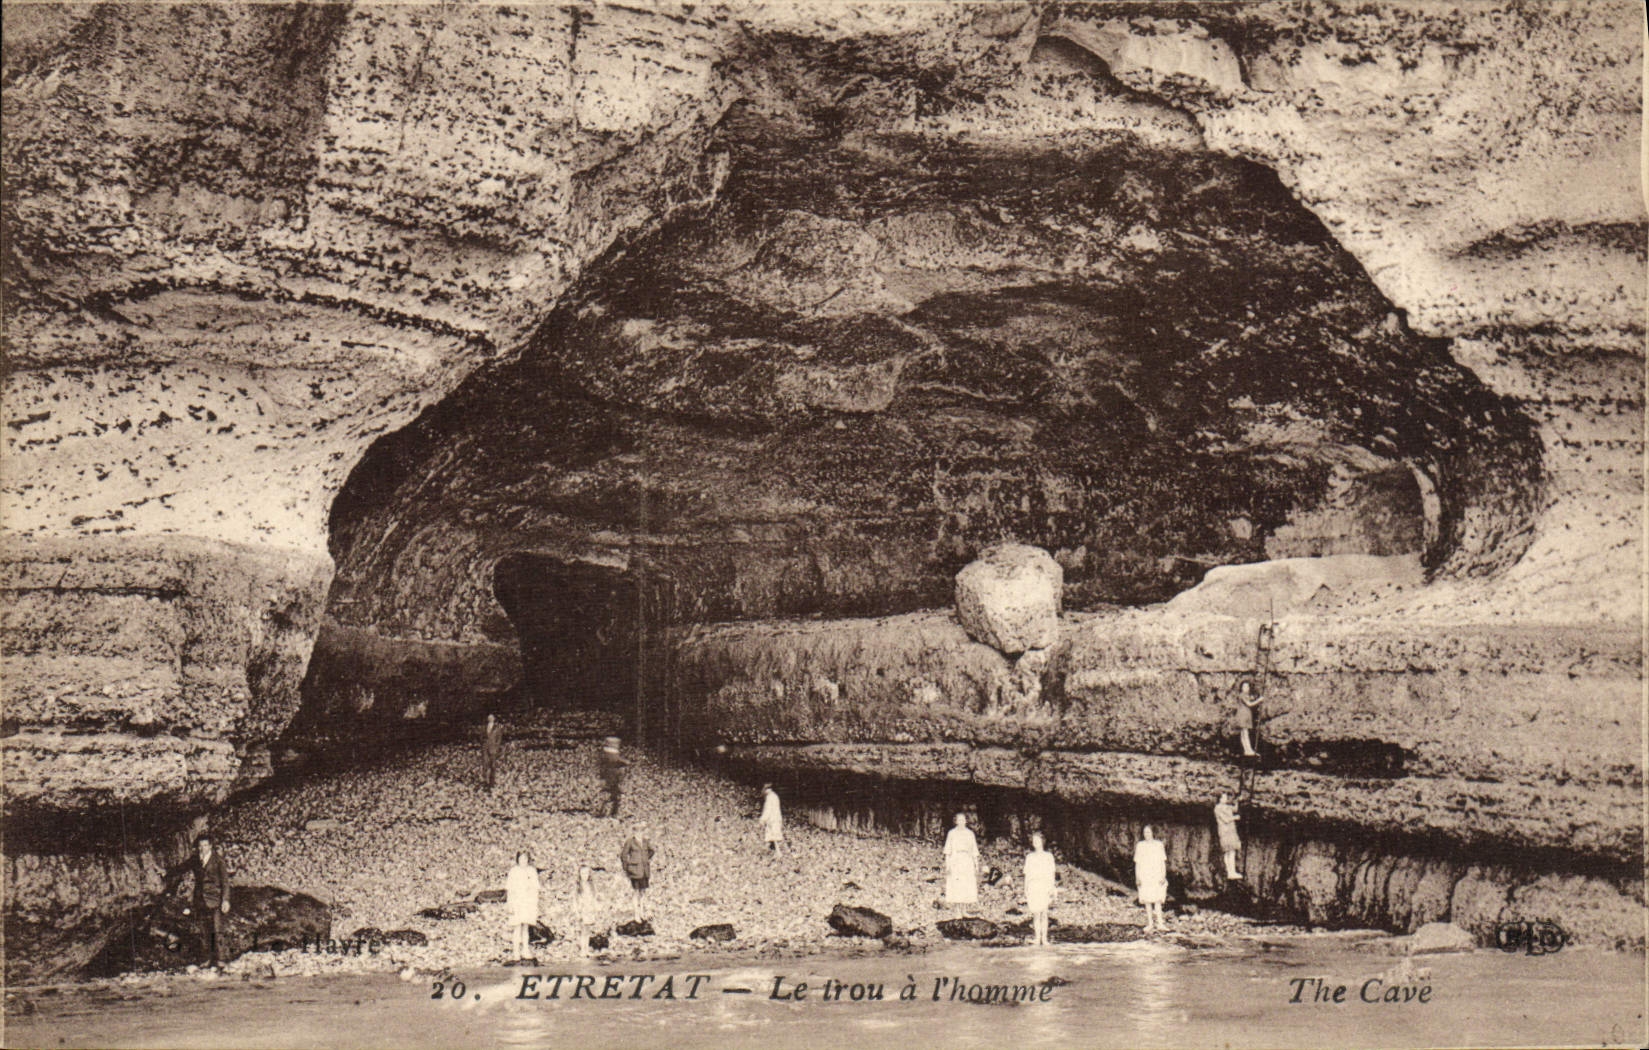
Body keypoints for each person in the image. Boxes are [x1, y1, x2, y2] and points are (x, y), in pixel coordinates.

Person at [186, 833, 231, 967]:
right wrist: (165, 872)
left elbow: (225, 882)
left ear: (210, 846)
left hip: (215, 899)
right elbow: (181, 868)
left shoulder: (218, 860)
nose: (202, 848)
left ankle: (221, 959)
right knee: (203, 930)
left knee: (217, 929)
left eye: (205, 845)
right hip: (200, 900)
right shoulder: (195, 860)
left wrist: (225, 900)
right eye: (200, 845)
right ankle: (206, 959)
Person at [506, 850, 540, 962]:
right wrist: (510, 904)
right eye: (521, 858)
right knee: (517, 927)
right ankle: (516, 951)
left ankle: (525, 950)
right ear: (518, 859)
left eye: (525, 858)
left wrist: (534, 902)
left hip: (528, 902)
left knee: (526, 927)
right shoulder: (513, 871)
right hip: (517, 901)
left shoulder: (532, 871)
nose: (523, 861)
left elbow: (535, 888)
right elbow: (510, 889)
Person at [1023, 831, 1056, 946]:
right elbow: (1027, 874)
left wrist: (1052, 887)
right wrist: (1025, 888)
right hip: (1033, 885)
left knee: (1044, 912)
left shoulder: (1048, 856)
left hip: (1044, 885)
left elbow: (1051, 873)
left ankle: (1045, 938)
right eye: (1033, 841)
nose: (1035, 843)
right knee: (1036, 913)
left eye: (1037, 840)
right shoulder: (1029, 857)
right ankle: (1037, 938)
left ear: (1042, 841)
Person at [1134, 825, 1168, 933]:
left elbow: (1163, 862)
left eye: (1148, 832)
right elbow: (1137, 863)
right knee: (1147, 900)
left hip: (1156, 874)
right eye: (1145, 832)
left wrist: (1163, 875)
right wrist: (1137, 877)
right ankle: (1150, 924)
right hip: (1145, 875)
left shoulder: (1159, 845)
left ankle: (1160, 924)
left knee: (1157, 899)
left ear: (1153, 833)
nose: (1146, 834)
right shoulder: (1140, 845)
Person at [619, 823, 654, 922]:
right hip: (635, 871)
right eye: (637, 831)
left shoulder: (646, 842)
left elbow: (651, 851)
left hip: (644, 871)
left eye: (641, 831)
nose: (640, 833)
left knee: (643, 892)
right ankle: (636, 914)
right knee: (636, 892)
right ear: (634, 832)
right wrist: (627, 867)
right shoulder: (630, 842)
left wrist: (645, 860)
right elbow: (623, 855)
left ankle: (642, 912)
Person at [943, 813, 978, 908]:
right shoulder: (951, 833)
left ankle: (964, 910)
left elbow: (974, 850)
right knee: (957, 885)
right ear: (956, 821)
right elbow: (947, 851)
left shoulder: (970, 834)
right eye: (959, 820)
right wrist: (948, 865)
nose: (961, 822)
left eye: (963, 820)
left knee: (966, 885)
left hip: (967, 860)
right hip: (955, 860)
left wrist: (976, 865)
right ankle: (958, 911)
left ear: (966, 821)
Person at [597, 737, 630, 817]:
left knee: (609, 794)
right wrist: (626, 762)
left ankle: (605, 811)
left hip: (608, 777)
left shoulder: (604, 756)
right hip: (613, 777)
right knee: (614, 795)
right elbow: (617, 760)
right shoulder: (612, 755)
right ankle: (612, 812)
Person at [1213, 793, 1243, 880]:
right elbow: (1225, 819)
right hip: (1225, 831)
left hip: (1230, 831)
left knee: (1231, 851)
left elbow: (1235, 809)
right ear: (1220, 799)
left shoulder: (1226, 806)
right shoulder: (1217, 808)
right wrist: (1235, 818)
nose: (1226, 799)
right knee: (1229, 851)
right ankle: (1230, 872)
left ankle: (1231, 872)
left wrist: (1237, 801)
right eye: (1224, 797)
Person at [575, 865, 602, 957]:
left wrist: (596, 908)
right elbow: (575, 900)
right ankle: (582, 949)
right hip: (582, 909)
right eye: (582, 873)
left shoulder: (591, 885)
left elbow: (595, 897)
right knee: (583, 930)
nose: (584, 875)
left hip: (589, 909)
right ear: (579, 874)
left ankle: (586, 949)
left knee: (588, 930)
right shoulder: (578, 886)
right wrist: (577, 912)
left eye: (586, 873)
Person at [1235, 679, 1265, 758]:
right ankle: (1248, 750)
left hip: (1245, 715)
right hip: (1243, 715)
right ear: (1241, 688)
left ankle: (1247, 750)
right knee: (1245, 733)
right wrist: (1259, 700)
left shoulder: (1245, 695)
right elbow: (1249, 704)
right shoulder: (1242, 695)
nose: (1245, 688)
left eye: (1247, 687)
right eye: (1244, 686)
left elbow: (1250, 700)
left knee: (1243, 733)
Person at [759, 784, 785, 855]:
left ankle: (778, 853)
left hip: (772, 819)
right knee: (772, 836)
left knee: (774, 837)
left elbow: (768, 810)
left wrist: (763, 819)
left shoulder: (770, 798)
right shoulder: (775, 796)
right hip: (776, 818)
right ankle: (773, 851)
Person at [481, 714, 504, 791]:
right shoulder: (484, 727)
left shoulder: (497, 728)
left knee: (493, 765)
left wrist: (496, 747)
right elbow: (481, 737)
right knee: (485, 764)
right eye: (489, 717)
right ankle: (485, 781)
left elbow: (499, 739)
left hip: (493, 749)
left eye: (492, 717)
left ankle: (492, 782)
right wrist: (484, 744)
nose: (490, 718)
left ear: (494, 718)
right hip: (485, 748)